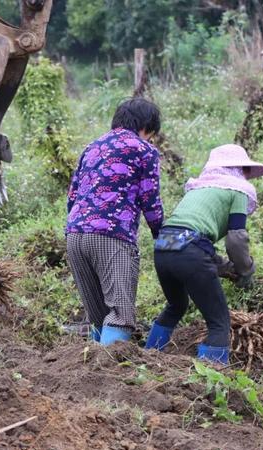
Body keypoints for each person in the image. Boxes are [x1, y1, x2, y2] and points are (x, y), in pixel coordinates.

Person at [144, 144, 263, 364]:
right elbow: (236, 239)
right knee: (219, 322)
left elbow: (186, 239)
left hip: (163, 247)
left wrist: (223, 267)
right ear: (240, 170)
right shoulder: (237, 191)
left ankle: (147, 358)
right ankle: (211, 379)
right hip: (190, 251)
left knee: (176, 305)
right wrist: (245, 269)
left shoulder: (199, 189)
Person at [66, 97, 164, 346]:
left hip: (75, 235)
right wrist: (161, 235)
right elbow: (149, 199)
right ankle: (110, 376)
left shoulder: (92, 147)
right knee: (120, 314)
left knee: (98, 315)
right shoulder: (143, 149)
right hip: (111, 237)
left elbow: (73, 195)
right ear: (146, 127)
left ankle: (90, 373)